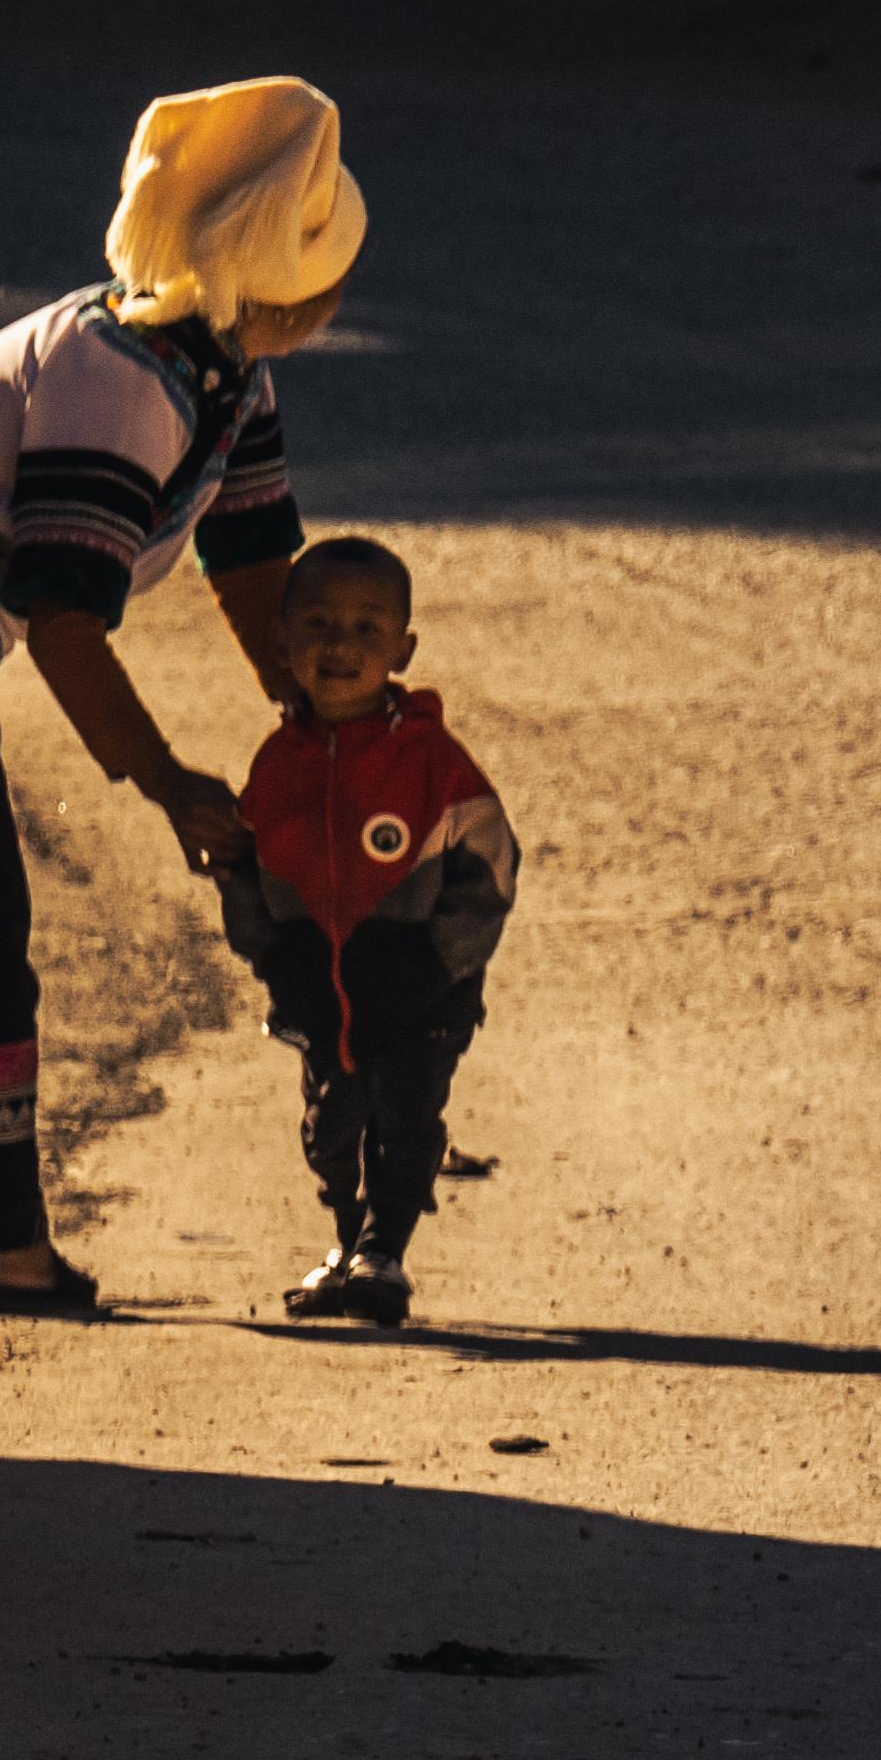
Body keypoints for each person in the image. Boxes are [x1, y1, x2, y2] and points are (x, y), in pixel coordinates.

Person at [0, 77, 366, 1317]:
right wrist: (166, 780)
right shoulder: (124, 378)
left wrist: (319, 721)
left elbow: (254, 565)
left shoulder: (225, 369)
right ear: (282, 263)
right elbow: (67, 619)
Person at [211, 534, 522, 1325]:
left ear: (402, 648)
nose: (339, 647)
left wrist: (440, 962)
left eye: (365, 629)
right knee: (329, 1126)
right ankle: (345, 1241)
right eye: (316, 626)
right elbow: (245, 869)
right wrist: (272, 956)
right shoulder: (278, 762)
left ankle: (385, 1250)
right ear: (281, 642)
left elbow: (490, 862)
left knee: (406, 1116)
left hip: (420, 989)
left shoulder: (431, 762)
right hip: (316, 988)